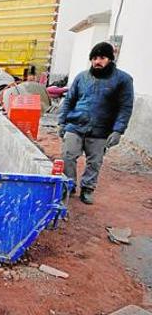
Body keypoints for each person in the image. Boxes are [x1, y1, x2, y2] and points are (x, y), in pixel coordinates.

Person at [58, 42, 134, 204]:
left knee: (94, 161)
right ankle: (69, 184)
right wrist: (62, 122)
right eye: (94, 58)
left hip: (101, 128)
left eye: (102, 58)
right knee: (67, 155)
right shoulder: (81, 77)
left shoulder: (123, 80)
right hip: (76, 124)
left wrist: (118, 130)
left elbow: (125, 107)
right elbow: (68, 101)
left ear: (110, 60)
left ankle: (87, 189)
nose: (97, 62)